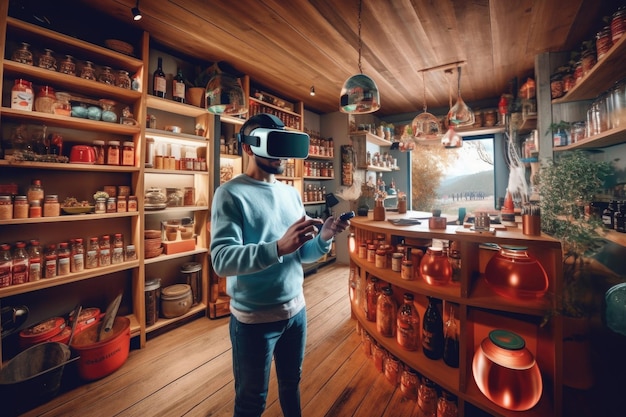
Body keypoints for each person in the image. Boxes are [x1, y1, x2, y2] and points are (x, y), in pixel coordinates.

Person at [210, 113, 350, 417]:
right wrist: (277, 247)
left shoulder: (290, 193)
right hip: (254, 321)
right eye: (271, 142)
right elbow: (221, 261)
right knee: (251, 402)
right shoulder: (230, 194)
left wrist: (323, 237)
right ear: (249, 147)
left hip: (296, 313)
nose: (281, 152)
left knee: (291, 383)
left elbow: (301, 255)